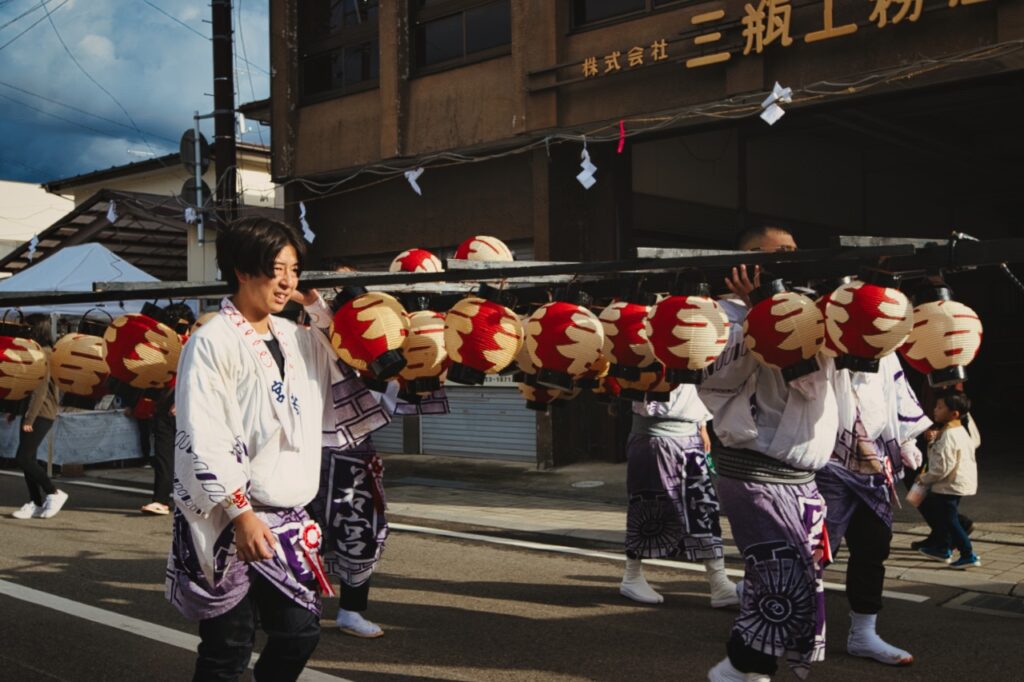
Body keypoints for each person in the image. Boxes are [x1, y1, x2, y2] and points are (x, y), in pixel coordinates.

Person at [166, 216, 366, 681]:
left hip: (290, 518)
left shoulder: (299, 338)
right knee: (227, 650)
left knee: (299, 633)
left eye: (294, 270)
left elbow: (350, 352)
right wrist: (241, 514)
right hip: (229, 517)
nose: (287, 281)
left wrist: (315, 304)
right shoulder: (211, 341)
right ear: (242, 269)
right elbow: (204, 431)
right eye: (277, 268)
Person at [703, 225, 838, 682]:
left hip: (799, 478)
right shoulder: (720, 316)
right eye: (779, 253)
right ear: (746, 264)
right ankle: (738, 669)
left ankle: (747, 671)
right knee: (780, 581)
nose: (791, 260)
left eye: (795, 252)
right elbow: (717, 384)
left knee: (790, 579)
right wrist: (759, 310)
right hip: (758, 471)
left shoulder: (809, 309)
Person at [815, 349, 930, 666]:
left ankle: (863, 633)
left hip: (874, 463)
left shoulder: (886, 349)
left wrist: (906, 441)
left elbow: (895, 396)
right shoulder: (821, 345)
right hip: (825, 462)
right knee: (817, 547)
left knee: (873, 545)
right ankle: (775, 608)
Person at [619, 384, 738, 609]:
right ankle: (631, 575)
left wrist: (702, 424)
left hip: (689, 435)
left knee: (704, 508)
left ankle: (718, 581)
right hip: (654, 437)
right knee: (648, 506)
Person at [9, 314, 68, 520]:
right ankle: (35, 502)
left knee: (23, 458)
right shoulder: (37, 352)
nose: (24, 331)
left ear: (37, 329)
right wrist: (17, 411)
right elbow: (26, 385)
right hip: (32, 412)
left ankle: (53, 492)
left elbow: (40, 390)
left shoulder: (44, 354)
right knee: (28, 458)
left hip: (41, 412)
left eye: (27, 327)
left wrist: (29, 419)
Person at [912, 391, 980, 569]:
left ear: (954, 414)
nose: (935, 410)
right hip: (956, 482)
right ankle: (942, 549)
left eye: (940, 407)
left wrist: (924, 478)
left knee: (949, 519)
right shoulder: (958, 431)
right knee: (946, 517)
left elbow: (942, 467)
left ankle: (967, 553)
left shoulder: (949, 435)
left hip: (949, 484)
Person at [140, 302, 196, 516]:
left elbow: (195, 377)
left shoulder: (192, 345)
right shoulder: (167, 345)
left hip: (183, 406)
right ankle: (161, 499)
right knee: (165, 454)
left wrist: (180, 401)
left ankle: (167, 499)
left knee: (184, 456)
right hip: (166, 405)